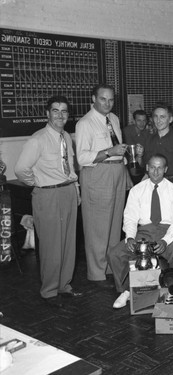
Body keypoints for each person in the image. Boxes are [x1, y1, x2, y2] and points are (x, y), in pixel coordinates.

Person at [15, 95, 81, 307]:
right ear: (47, 113)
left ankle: (64, 286)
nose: (60, 115)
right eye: (55, 110)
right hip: (48, 195)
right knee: (52, 245)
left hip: (68, 192)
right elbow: (20, 169)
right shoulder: (38, 139)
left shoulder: (67, 138)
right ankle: (49, 291)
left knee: (69, 243)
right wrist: (38, 182)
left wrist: (76, 191)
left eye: (64, 111)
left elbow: (70, 168)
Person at [107, 154, 173, 309]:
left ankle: (170, 290)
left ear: (166, 169)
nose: (155, 172)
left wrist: (165, 241)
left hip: (168, 231)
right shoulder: (136, 191)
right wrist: (130, 237)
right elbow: (130, 217)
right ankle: (126, 291)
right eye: (152, 167)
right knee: (115, 254)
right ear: (146, 168)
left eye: (159, 168)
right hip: (144, 232)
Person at [75, 83, 129, 283]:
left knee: (115, 225)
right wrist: (109, 152)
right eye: (103, 99)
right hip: (98, 173)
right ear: (93, 99)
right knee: (97, 227)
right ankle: (96, 273)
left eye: (111, 99)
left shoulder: (113, 119)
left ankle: (109, 267)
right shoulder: (85, 123)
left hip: (117, 172)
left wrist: (126, 157)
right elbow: (82, 158)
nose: (108, 103)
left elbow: (118, 150)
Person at [139, 103, 173, 195]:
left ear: (170, 119)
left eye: (162, 117)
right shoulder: (149, 140)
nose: (158, 121)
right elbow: (144, 167)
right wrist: (139, 156)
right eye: (156, 116)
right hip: (152, 186)